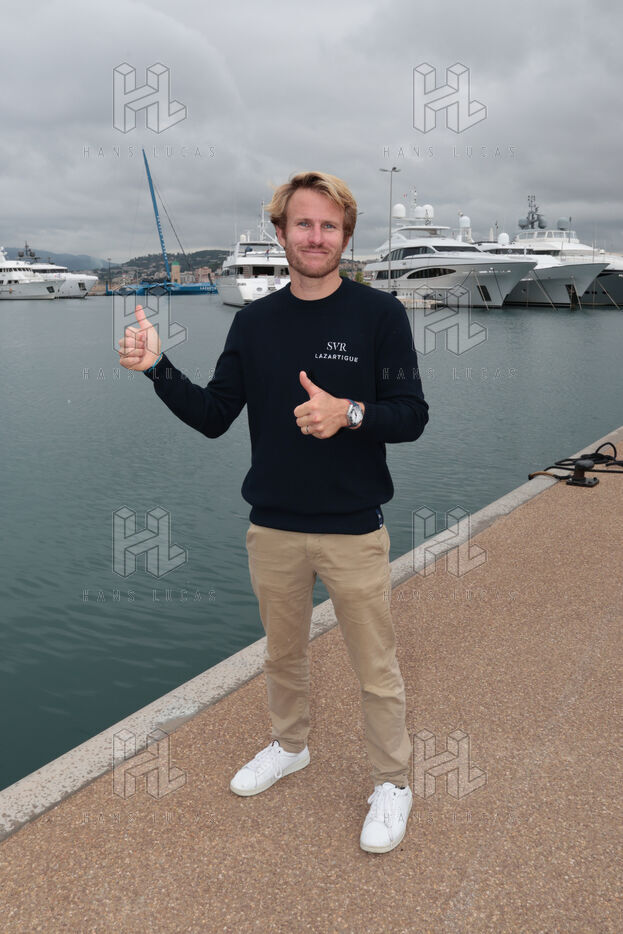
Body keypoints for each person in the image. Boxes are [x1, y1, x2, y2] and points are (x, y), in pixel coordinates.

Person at [117, 171, 429, 854]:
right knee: (282, 655)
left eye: (328, 226)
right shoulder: (254, 322)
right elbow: (214, 416)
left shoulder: (380, 315)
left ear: (345, 236)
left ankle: (392, 781)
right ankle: (290, 745)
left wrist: (348, 413)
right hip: (274, 527)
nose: (315, 237)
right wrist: (157, 370)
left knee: (375, 669)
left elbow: (411, 416)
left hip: (353, 528)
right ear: (281, 233)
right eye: (303, 224)